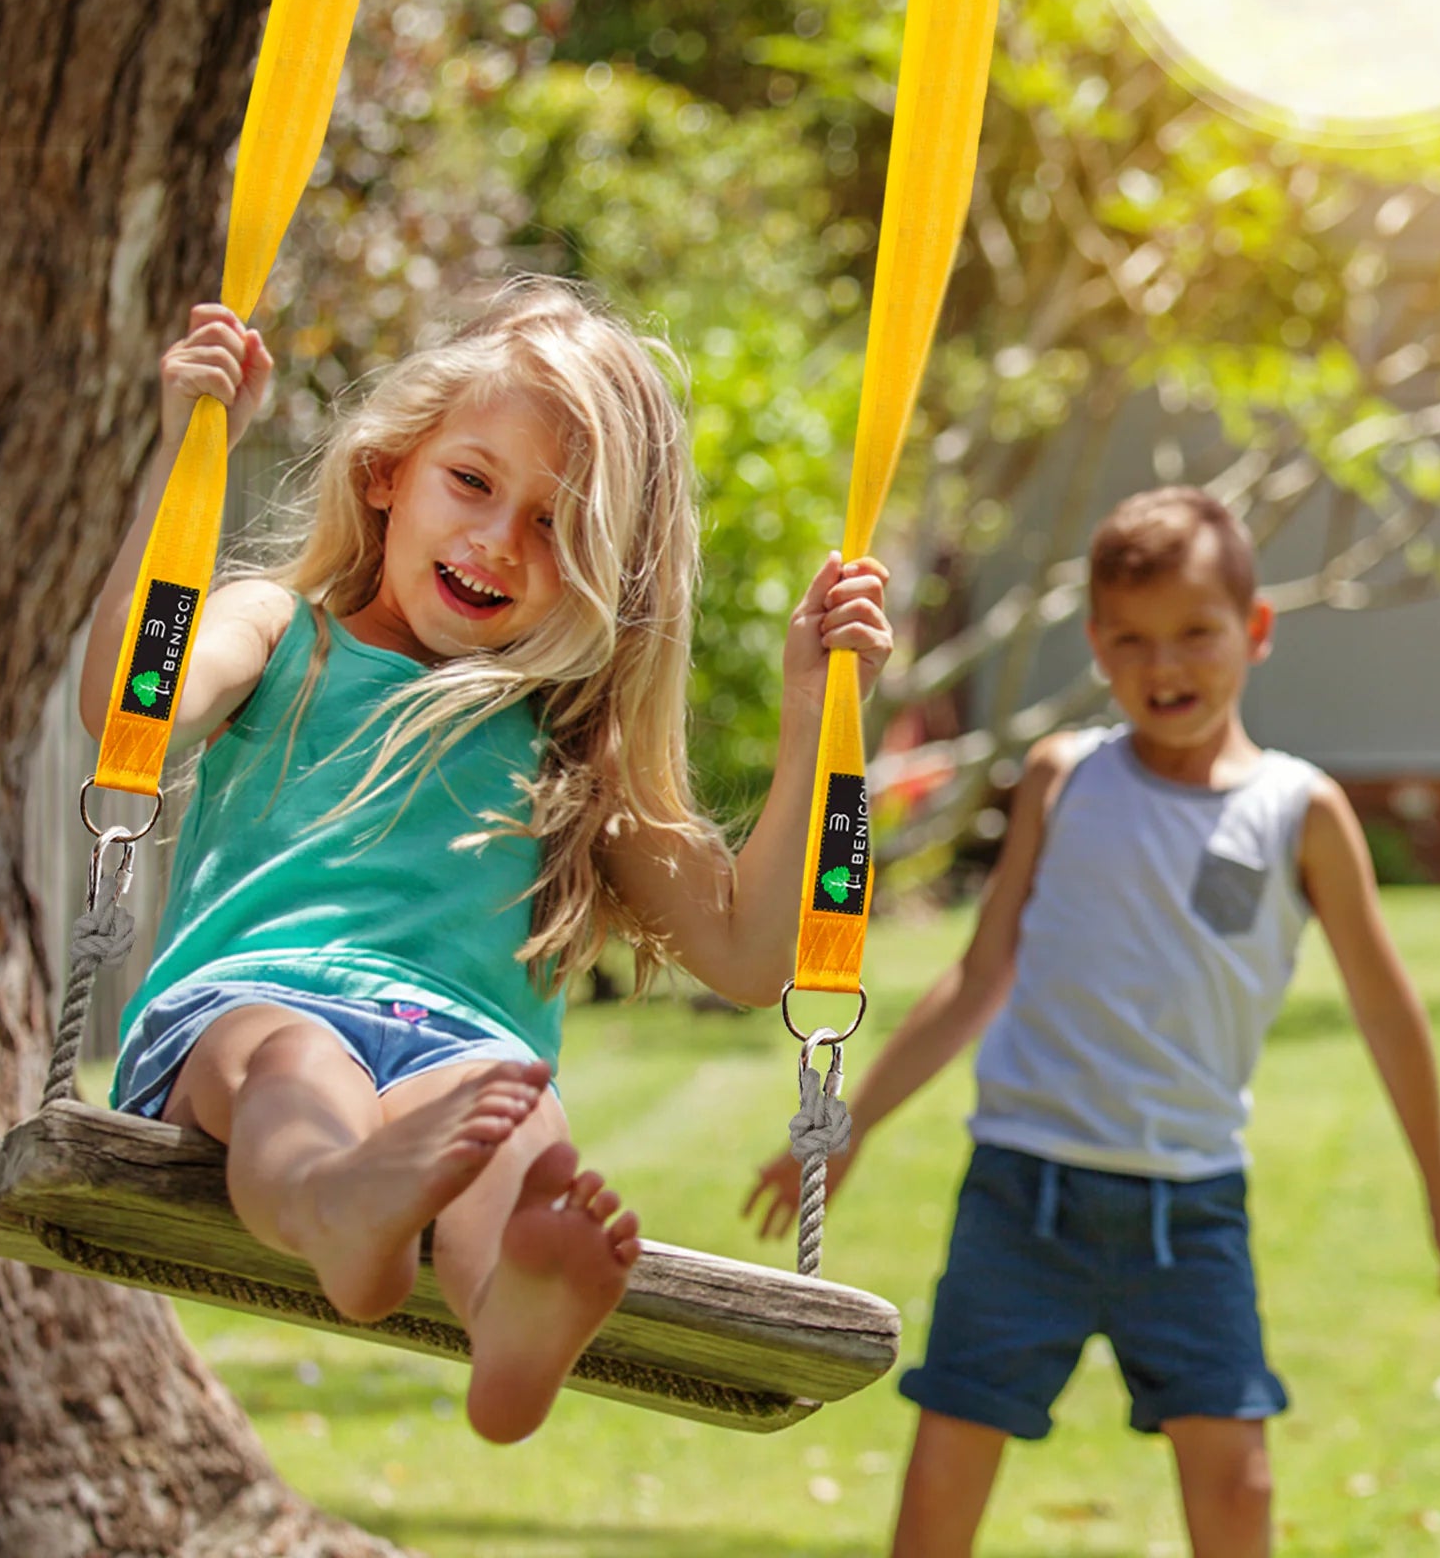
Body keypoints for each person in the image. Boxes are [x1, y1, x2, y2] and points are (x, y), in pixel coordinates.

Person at [82, 282, 892, 1444]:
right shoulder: (278, 634)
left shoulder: (568, 750)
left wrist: (816, 713)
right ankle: (335, 1202)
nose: (496, 541)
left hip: (464, 1048)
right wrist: (185, 453)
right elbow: (130, 705)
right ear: (385, 470)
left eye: (556, 526)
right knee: (298, 1064)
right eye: (471, 481)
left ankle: (506, 1318)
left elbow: (750, 952)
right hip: (251, 1006)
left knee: (508, 1126)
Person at [747, 486, 1440, 1557]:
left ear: (1255, 630)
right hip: (1021, 1194)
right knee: (941, 1482)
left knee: (1236, 1489)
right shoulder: (1063, 779)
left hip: (1187, 1212)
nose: (1165, 665)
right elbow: (977, 973)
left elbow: (1385, 1008)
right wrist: (849, 1122)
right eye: (1132, 640)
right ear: (1096, 644)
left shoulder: (1299, 811)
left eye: (1195, 632)